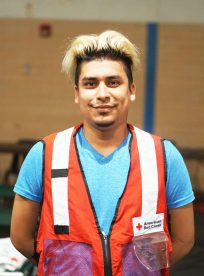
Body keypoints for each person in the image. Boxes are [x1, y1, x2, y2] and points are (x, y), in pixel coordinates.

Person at [10, 30, 195, 275]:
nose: (102, 94)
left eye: (113, 82)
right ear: (77, 93)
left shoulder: (164, 156)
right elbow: (20, 237)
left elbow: (184, 240)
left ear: (131, 89)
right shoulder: (44, 154)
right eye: (90, 83)